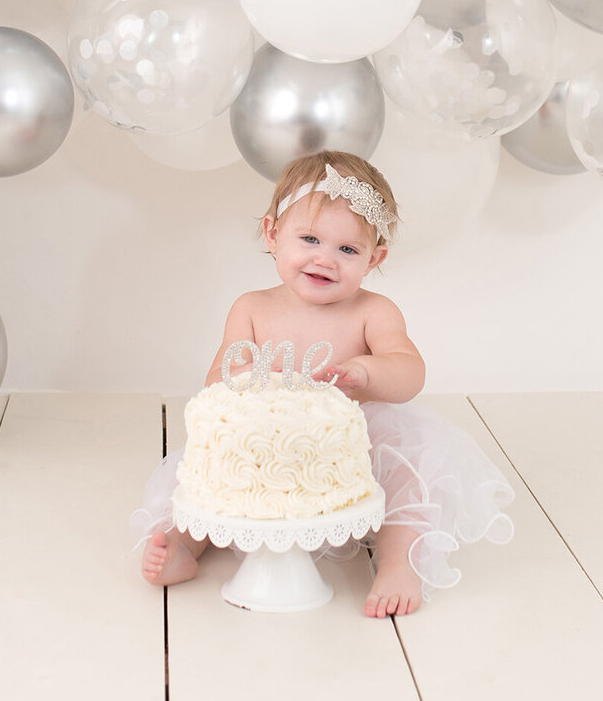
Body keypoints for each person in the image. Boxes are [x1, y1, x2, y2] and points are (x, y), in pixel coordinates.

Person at [132, 150, 514, 618]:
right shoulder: (250, 307)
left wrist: (366, 373)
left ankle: (398, 562)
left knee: (414, 467)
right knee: (212, 474)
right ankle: (185, 549)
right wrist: (247, 382)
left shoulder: (374, 312)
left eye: (347, 249)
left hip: (356, 441)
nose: (324, 259)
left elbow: (410, 371)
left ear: (374, 258)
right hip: (266, 442)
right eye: (309, 238)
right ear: (273, 234)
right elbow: (220, 378)